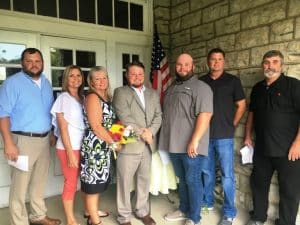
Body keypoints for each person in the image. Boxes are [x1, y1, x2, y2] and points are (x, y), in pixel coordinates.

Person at [0, 48, 61, 225]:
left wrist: (50, 132)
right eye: (29, 61)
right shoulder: (12, 83)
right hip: (22, 141)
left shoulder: (46, 82)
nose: (34, 65)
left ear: (42, 63)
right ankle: (19, 222)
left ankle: (38, 216)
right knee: (19, 186)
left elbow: (48, 111)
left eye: (37, 61)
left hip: (43, 140)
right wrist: (9, 143)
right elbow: (2, 114)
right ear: (22, 63)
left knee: (39, 182)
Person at [244, 50, 300, 225]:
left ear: (281, 65)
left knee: (290, 191)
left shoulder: (293, 85)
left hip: (289, 150)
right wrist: (247, 136)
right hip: (262, 148)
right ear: (263, 65)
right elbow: (251, 113)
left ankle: (286, 222)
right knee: (258, 185)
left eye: (275, 62)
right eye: (267, 62)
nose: (270, 66)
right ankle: (258, 217)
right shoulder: (258, 88)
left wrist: (298, 143)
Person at [160, 53, 213, 225]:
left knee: (193, 181)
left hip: (191, 147)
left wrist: (195, 140)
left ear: (193, 66)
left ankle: (194, 217)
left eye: (186, 65)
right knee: (182, 180)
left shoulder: (201, 87)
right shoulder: (172, 87)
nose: (182, 68)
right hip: (174, 145)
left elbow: (205, 114)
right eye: (179, 65)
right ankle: (184, 209)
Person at [199, 48, 246, 225]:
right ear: (208, 61)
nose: (216, 62)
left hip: (224, 136)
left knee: (227, 175)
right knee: (206, 172)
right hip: (204, 135)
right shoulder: (201, 82)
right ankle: (207, 202)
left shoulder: (232, 81)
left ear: (223, 61)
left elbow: (241, 105)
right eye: (213, 59)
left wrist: (232, 123)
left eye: (219, 59)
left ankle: (229, 212)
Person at [113, 61, 162, 225]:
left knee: (144, 180)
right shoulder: (120, 92)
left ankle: (142, 211)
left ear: (144, 75)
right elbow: (125, 117)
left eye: (140, 74)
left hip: (148, 146)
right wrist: (144, 132)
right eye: (133, 74)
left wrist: (151, 132)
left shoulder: (153, 93)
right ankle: (124, 217)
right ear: (127, 75)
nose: (137, 77)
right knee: (124, 183)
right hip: (129, 145)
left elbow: (158, 116)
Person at [80, 66, 119, 225]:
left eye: (104, 77)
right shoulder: (92, 98)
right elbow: (96, 126)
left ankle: (91, 211)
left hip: (103, 145)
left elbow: (110, 123)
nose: (102, 81)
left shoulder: (106, 96)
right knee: (93, 184)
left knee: (98, 182)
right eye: (97, 78)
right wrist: (113, 142)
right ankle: (94, 221)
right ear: (91, 81)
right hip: (95, 146)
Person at [51, 65, 85, 225]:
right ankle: (71, 220)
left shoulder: (82, 98)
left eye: (78, 75)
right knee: (71, 183)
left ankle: (87, 209)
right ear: (66, 79)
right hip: (68, 148)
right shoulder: (63, 99)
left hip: (82, 146)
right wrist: (70, 153)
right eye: (71, 76)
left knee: (84, 180)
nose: (75, 78)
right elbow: (63, 128)